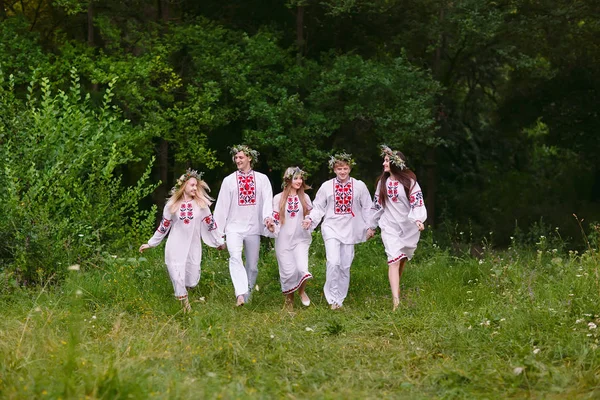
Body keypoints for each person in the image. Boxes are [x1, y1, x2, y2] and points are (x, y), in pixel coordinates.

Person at [139, 169, 225, 313]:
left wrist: (219, 241)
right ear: (183, 185)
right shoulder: (172, 205)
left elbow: (211, 224)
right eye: (192, 185)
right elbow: (163, 226)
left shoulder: (201, 205)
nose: (194, 188)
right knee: (177, 273)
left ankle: (185, 294)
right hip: (175, 245)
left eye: (196, 186)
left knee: (191, 278)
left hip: (193, 246)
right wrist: (151, 243)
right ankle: (186, 309)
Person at [306, 152, 373, 310]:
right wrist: (310, 219)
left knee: (345, 266)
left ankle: (339, 300)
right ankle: (331, 298)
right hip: (331, 227)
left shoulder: (359, 186)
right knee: (333, 261)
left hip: (350, 229)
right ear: (334, 170)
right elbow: (319, 207)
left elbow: (367, 207)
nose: (342, 172)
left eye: (345, 168)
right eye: (339, 169)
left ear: (350, 168)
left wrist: (370, 226)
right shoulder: (327, 186)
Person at [213, 145, 274, 306]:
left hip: (253, 228)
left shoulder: (262, 179)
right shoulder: (229, 181)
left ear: (249, 158)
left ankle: (246, 298)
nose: (237, 160)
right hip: (234, 228)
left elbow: (268, 200)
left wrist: (268, 218)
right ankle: (240, 293)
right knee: (235, 257)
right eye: (236, 157)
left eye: (241, 157)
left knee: (253, 266)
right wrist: (218, 235)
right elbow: (221, 207)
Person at [369, 145, 426, 311]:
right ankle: (396, 302)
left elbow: (417, 202)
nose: (383, 163)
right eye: (384, 160)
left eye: (387, 161)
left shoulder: (410, 182)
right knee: (393, 259)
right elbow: (376, 206)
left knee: (401, 260)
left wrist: (418, 219)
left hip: (408, 226)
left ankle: (397, 290)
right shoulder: (382, 183)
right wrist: (371, 227)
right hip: (389, 226)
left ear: (395, 163)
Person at [269, 167, 313, 311]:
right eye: (296, 178)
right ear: (288, 180)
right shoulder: (278, 198)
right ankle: (289, 302)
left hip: (300, 238)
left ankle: (301, 291)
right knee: (288, 272)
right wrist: (271, 227)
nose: (299, 181)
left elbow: (311, 215)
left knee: (302, 268)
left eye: (301, 178)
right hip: (283, 240)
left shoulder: (305, 198)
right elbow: (275, 218)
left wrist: (309, 221)